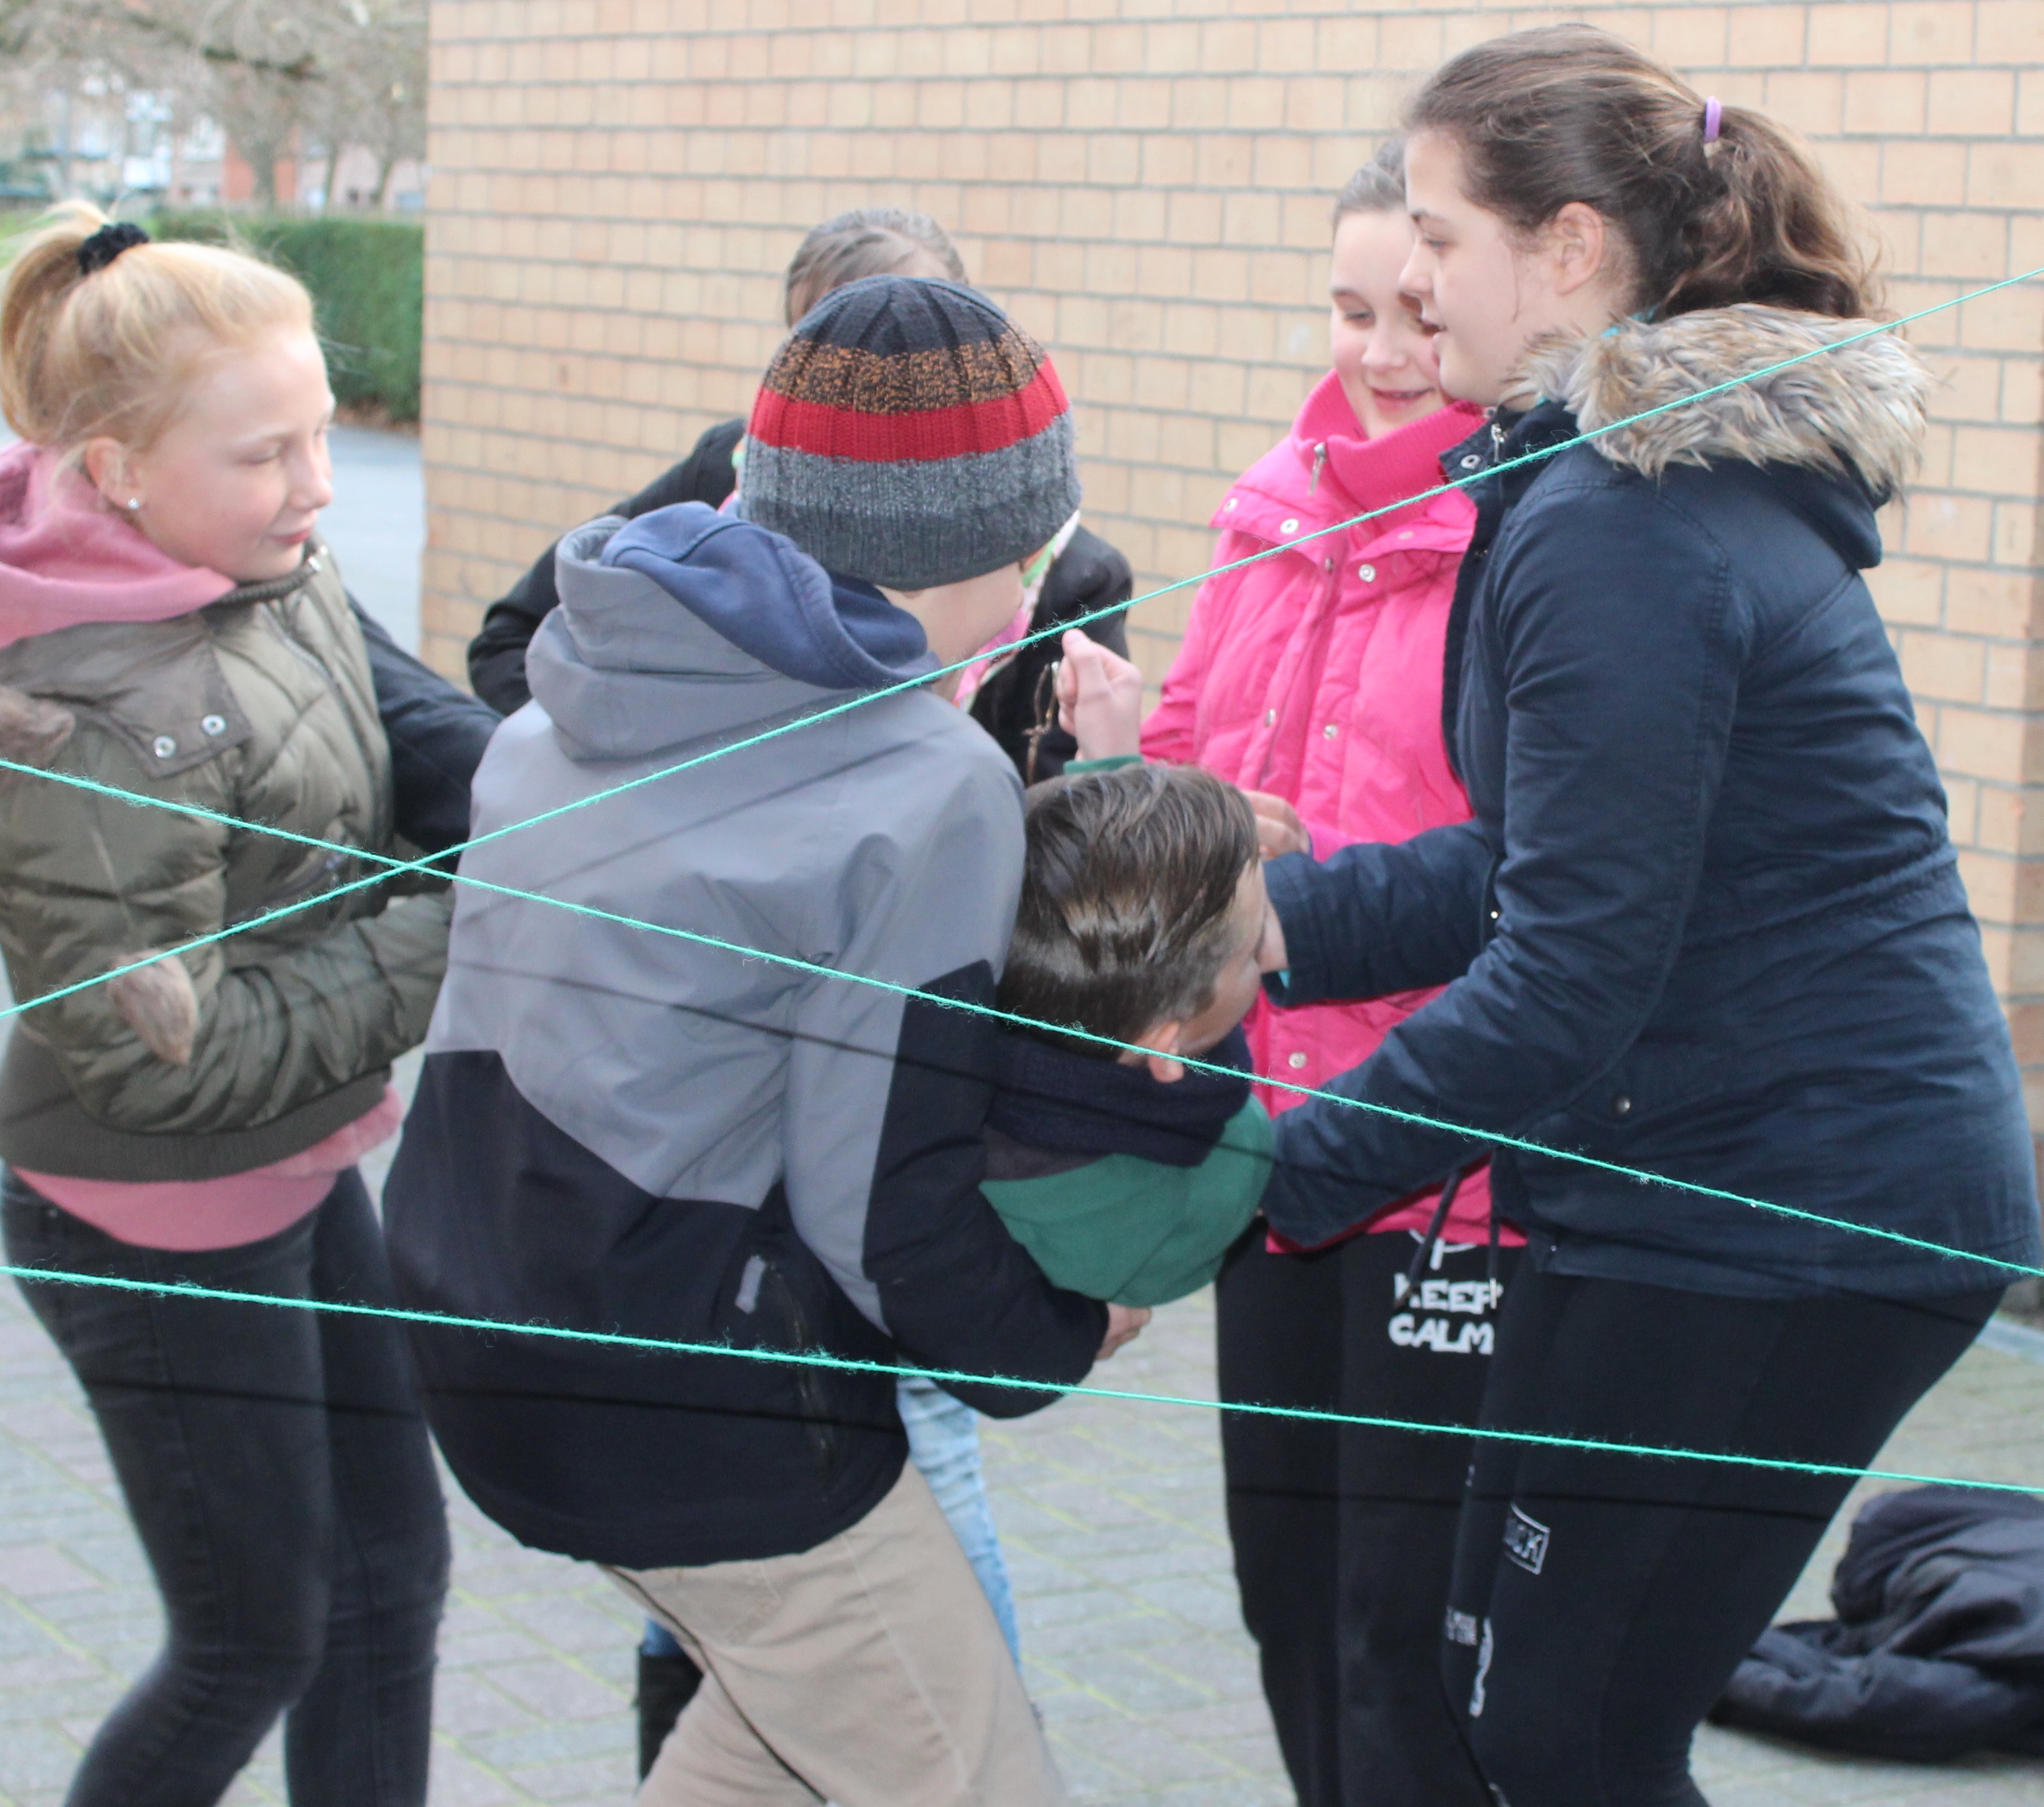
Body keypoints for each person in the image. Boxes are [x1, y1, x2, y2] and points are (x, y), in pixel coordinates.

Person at [1251, 26, 2041, 1806]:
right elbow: (1546, 869)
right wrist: (1257, 924)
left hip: (1788, 1217)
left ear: (1572, 250)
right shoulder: (1599, 482)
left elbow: (1569, 968)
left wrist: (1269, 1174)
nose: (1410, 269)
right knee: (1506, 1712)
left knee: (1558, 1735)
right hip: (1685, 1193)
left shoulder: (1625, 513)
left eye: (1439, 234)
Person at [384, 275, 1147, 1807]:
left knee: (780, 1735)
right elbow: (886, 1209)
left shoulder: (566, 701)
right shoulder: (925, 781)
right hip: (709, 1423)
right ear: (1012, 553)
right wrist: (1061, 1339)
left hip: (487, 1339)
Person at [0, 204, 494, 1806]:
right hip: (150, 1211)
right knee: (250, 1640)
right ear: (117, 467)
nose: (318, 486)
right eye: (266, 453)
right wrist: (465, 932)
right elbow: (168, 1061)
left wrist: (594, 808)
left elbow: (424, 742)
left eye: (321, 438)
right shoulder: (85, 712)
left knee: (387, 1587)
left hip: (288, 1166)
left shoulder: (248, 560)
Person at [1104, 136, 1503, 1807]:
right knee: (1280, 1592)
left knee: (1395, 1639)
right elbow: (1194, 750)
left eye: (1413, 306)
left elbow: (1540, 877)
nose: (1379, 350)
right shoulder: (1272, 503)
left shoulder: (1535, 534)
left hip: (1452, 1163)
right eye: (1347, 309)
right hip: (1266, 1125)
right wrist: (1152, 787)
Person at [465, 206, 1134, 783]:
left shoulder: (1071, 574)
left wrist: (1106, 772)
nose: (867, 391)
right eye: (826, 357)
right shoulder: (726, 477)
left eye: (921, 360)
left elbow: (1053, 836)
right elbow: (510, 641)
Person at [983, 761, 1277, 1307]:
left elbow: (1073, 873)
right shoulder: (1165, 1207)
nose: (1276, 952)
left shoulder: (960, 1079)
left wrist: (1102, 770)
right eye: (1255, 946)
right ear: (1166, 1050)